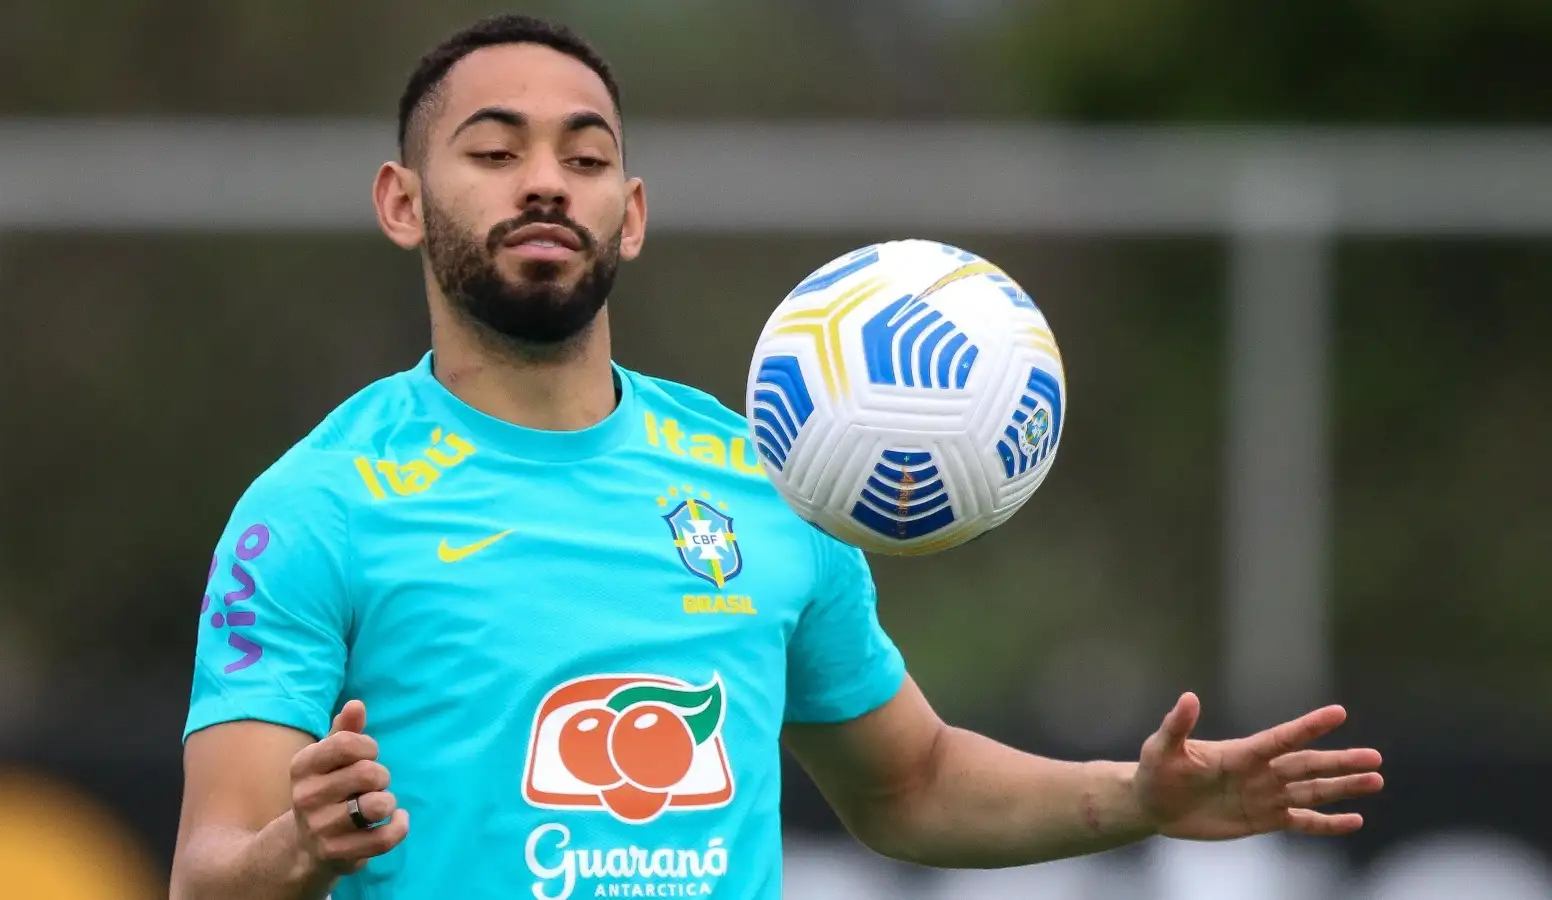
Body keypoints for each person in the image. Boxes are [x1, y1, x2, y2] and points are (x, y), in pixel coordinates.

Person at [168, 13, 1383, 900]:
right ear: (399, 200)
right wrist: (298, 850)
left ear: (629, 215)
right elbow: (207, 875)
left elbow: (908, 784)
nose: (546, 182)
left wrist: (1140, 800)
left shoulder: (767, 476)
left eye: (584, 158)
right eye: (494, 152)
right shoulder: (316, 509)